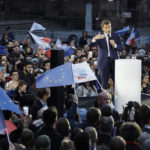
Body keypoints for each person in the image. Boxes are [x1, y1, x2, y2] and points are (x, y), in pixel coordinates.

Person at [92, 20, 124, 89]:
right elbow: (90, 45)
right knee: (104, 83)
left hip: (115, 61)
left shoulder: (116, 35)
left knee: (118, 82)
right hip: (104, 62)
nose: (108, 29)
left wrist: (114, 45)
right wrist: (95, 38)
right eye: (106, 27)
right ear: (103, 28)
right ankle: (104, 98)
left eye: (109, 27)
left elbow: (121, 48)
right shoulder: (99, 36)